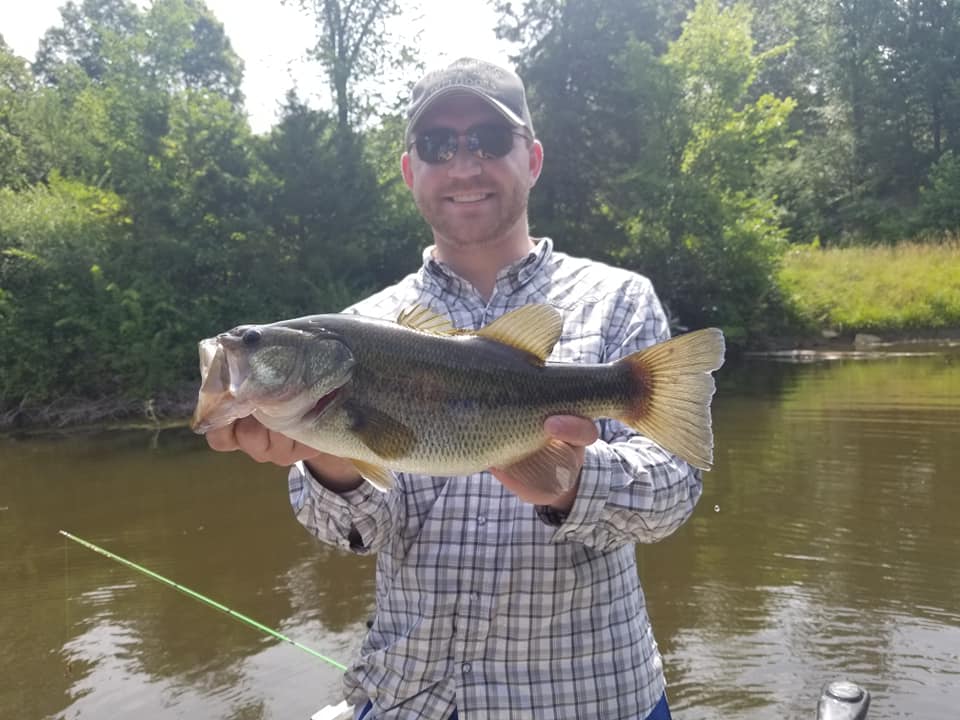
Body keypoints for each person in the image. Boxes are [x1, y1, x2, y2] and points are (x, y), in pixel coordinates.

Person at [206, 57, 700, 720]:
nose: (464, 166)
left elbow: (673, 494)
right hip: (410, 699)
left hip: (589, 700)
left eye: (490, 142)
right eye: (438, 145)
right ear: (412, 170)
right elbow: (353, 533)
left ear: (533, 158)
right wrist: (328, 452)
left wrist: (574, 483)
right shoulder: (362, 324)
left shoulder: (618, 300)